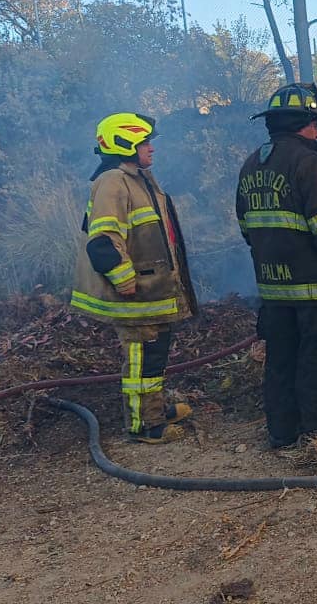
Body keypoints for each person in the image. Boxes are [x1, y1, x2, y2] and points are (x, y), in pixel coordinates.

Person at [237, 83, 317, 448]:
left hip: (274, 291)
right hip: (316, 289)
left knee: (281, 361)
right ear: (302, 124)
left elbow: (247, 227)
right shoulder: (307, 162)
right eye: (315, 124)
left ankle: (283, 432)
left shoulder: (253, 163)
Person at [70, 112, 197, 444]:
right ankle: (145, 425)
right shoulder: (113, 181)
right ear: (125, 144)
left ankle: (153, 408)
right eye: (145, 142)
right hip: (134, 293)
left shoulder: (137, 178)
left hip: (150, 289)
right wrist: (124, 279)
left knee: (155, 353)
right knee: (142, 358)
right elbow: (102, 241)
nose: (151, 149)